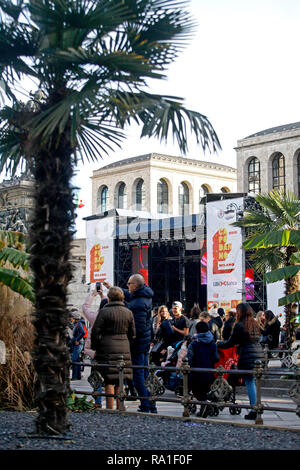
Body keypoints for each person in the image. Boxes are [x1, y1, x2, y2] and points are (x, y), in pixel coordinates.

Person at [104, 274, 156, 413]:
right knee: (144, 374)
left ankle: (146, 405)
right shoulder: (143, 296)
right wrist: (112, 287)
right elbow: (128, 294)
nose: (127, 286)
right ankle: (151, 404)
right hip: (144, 342)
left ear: (135, 285)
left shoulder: (138, 304)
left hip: (138, 344)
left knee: (138, 375)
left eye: (129, 283)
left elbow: (137, 328)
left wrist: (130, 339)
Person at [217, 302, 264, 420]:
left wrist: (218, 344)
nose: (236, 313)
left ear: (241, 312)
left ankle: (254, 409)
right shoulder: (254, 323)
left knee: (249, 381)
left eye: (237, 311)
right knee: (253, 381)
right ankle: (257, 406)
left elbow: (230, 342)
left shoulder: (240, 325)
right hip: (258, 355)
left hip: (247, 356)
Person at [91, 286, 136, 410]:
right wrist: (128, 344)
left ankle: (110, 408)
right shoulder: (128, 312)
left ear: (109, 298)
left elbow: (95, 331)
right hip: (124, 347)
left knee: (108, 379)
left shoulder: (104, 312)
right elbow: (133, 333)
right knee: (120, 378)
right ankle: (120, 406)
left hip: (106, 346)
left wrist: (96, 346)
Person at [187, 321, 219, 418]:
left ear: (197, 330)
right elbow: (216, 358)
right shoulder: (212, 343)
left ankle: (204, 405)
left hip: (196, 371)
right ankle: (205, 406)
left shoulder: (194, 343)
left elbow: (190, 358)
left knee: (196, 390)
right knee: (206, 390)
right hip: (210, 371)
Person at [82, 285, 105, 407]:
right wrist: (103, 296)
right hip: (110, 350)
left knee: (96, 375)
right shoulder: (112, 316)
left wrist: (93, 294)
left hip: (96, 351)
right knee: (113, 377)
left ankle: (98, 402)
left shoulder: (95, 317)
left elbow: (85, 308)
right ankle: (115, 403)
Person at [70, 309, 86, 381]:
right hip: (78, 343)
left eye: (71, 317)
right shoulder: (77, 323)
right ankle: (78, 376)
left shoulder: (78, 323)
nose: (70, 318)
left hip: (78, 343)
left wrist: (77, 340)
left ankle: (74, 376)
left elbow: (83, 332)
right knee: (77, 360)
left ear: (74, 318)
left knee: (74, 359)